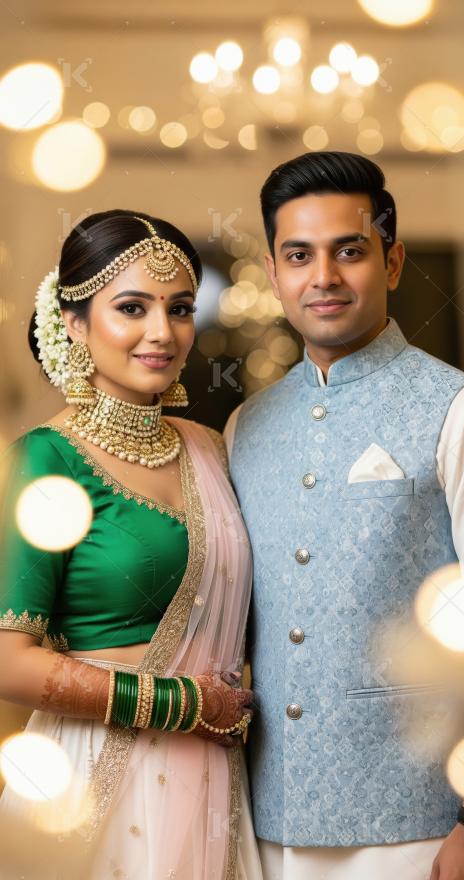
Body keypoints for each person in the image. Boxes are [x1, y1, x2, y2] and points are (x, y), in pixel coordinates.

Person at [224, 151, 464, 880]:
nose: (324, 277)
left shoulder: (460, 409)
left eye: (350, 251)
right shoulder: (245, 427)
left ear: (391, 262)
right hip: (269, 821)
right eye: (298, 256)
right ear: (273, 273)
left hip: (421, 823)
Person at [0, 210, 263, 880]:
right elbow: (8, 663)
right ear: (74, 322)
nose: (162, 332)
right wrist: (183, 704)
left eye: (180, 309)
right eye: (131, 308)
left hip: (215, 779)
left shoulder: (212, 449)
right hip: (92, 780)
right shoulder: (43, 461)